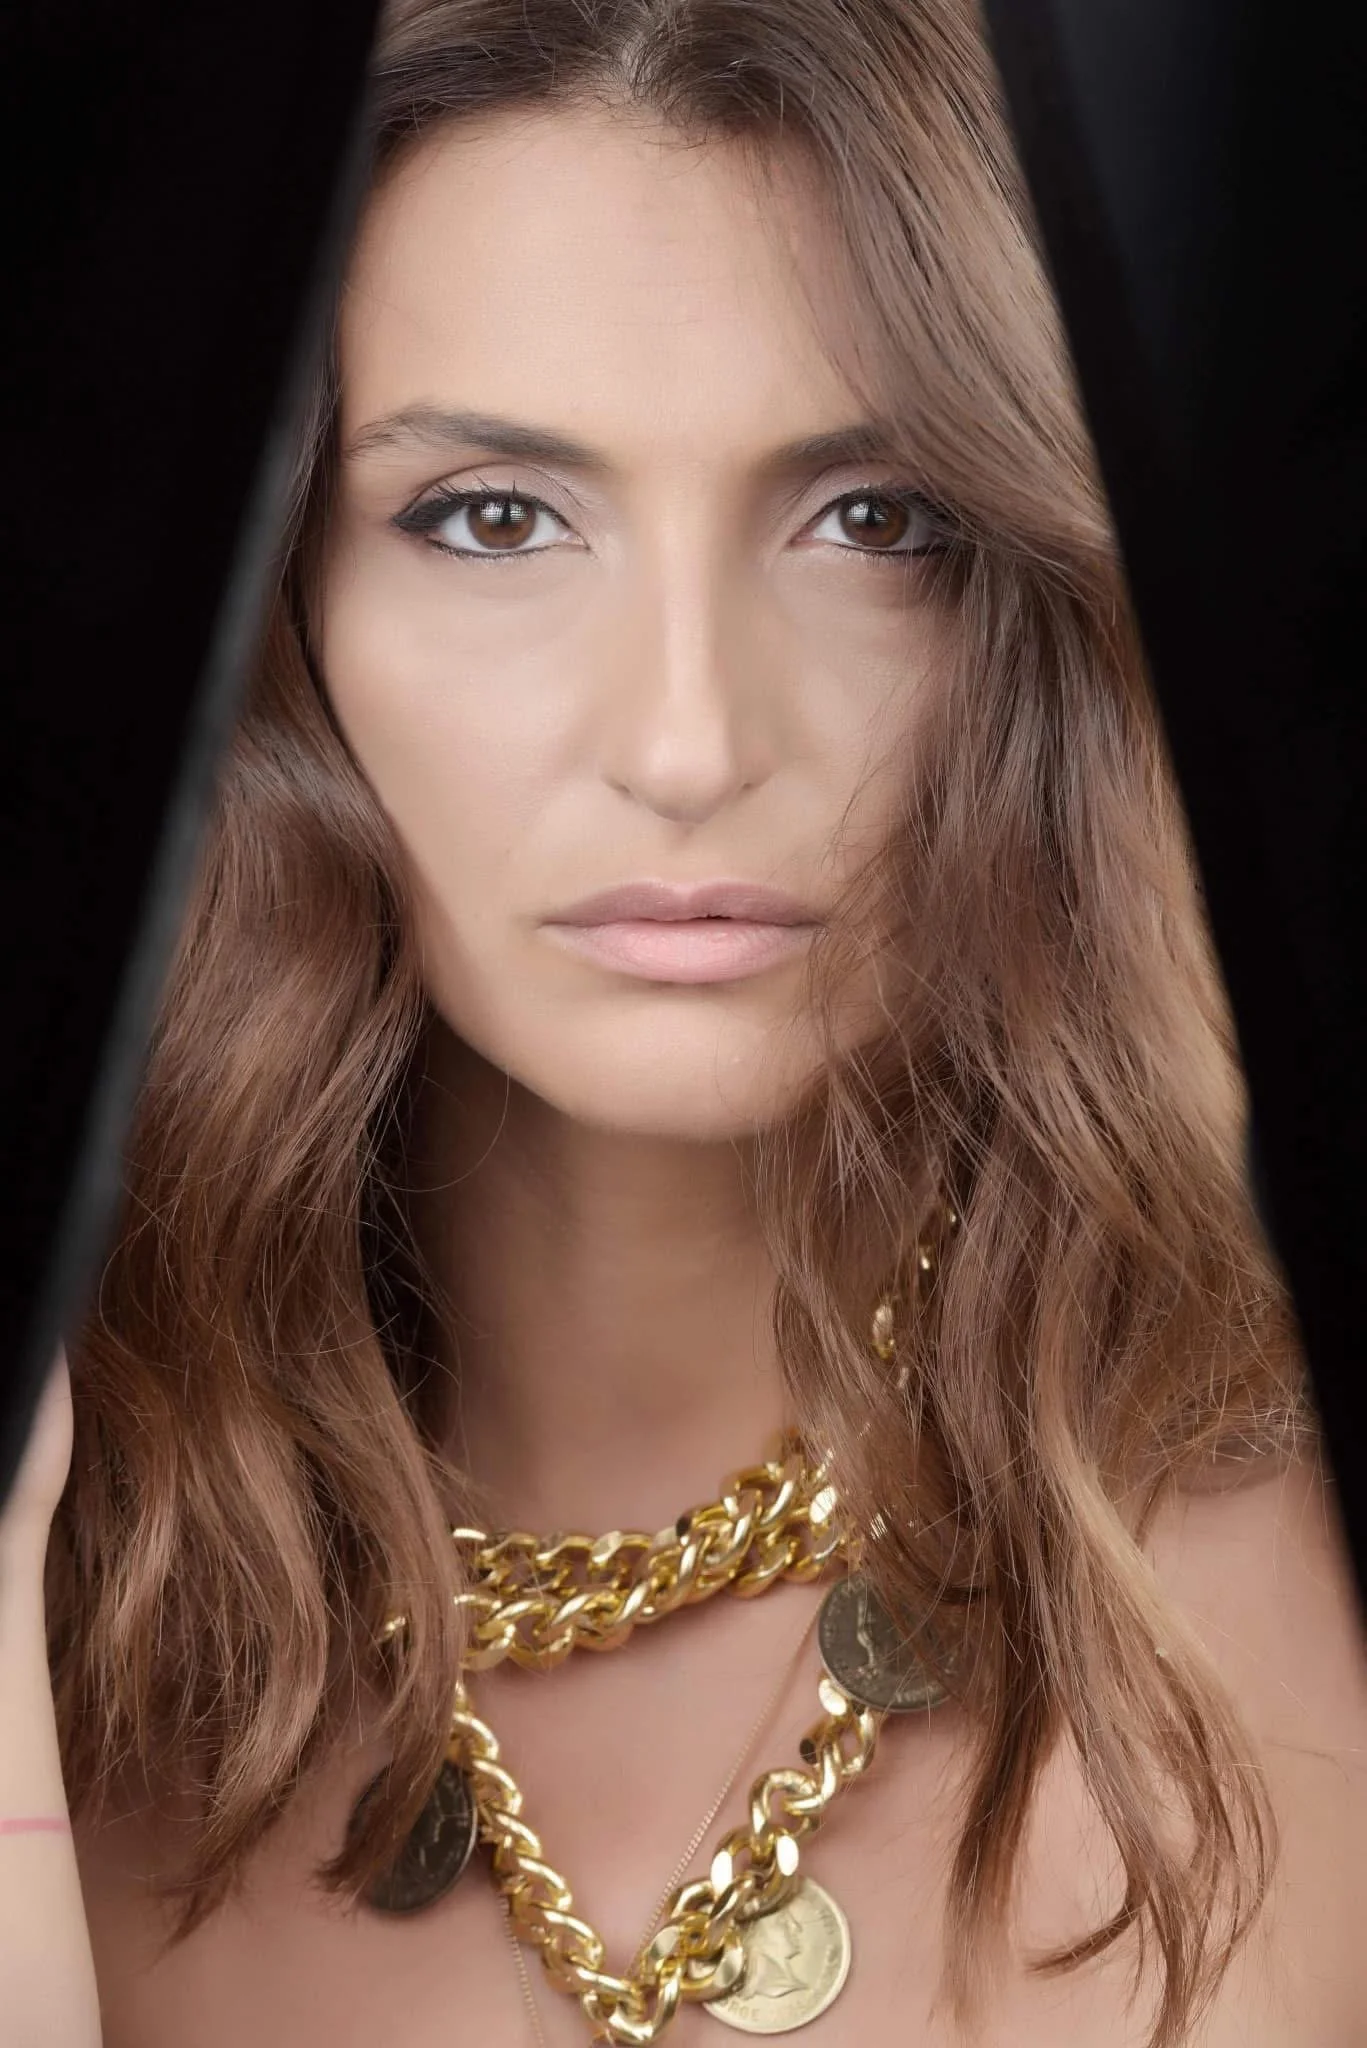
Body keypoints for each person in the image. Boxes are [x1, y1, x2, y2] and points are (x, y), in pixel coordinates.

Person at [3, 1, 1364, 2044]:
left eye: (868, 521)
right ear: (276, 620)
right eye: (489, 517)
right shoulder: (76, 1588)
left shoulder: (1299, 1598)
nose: (685, 738)